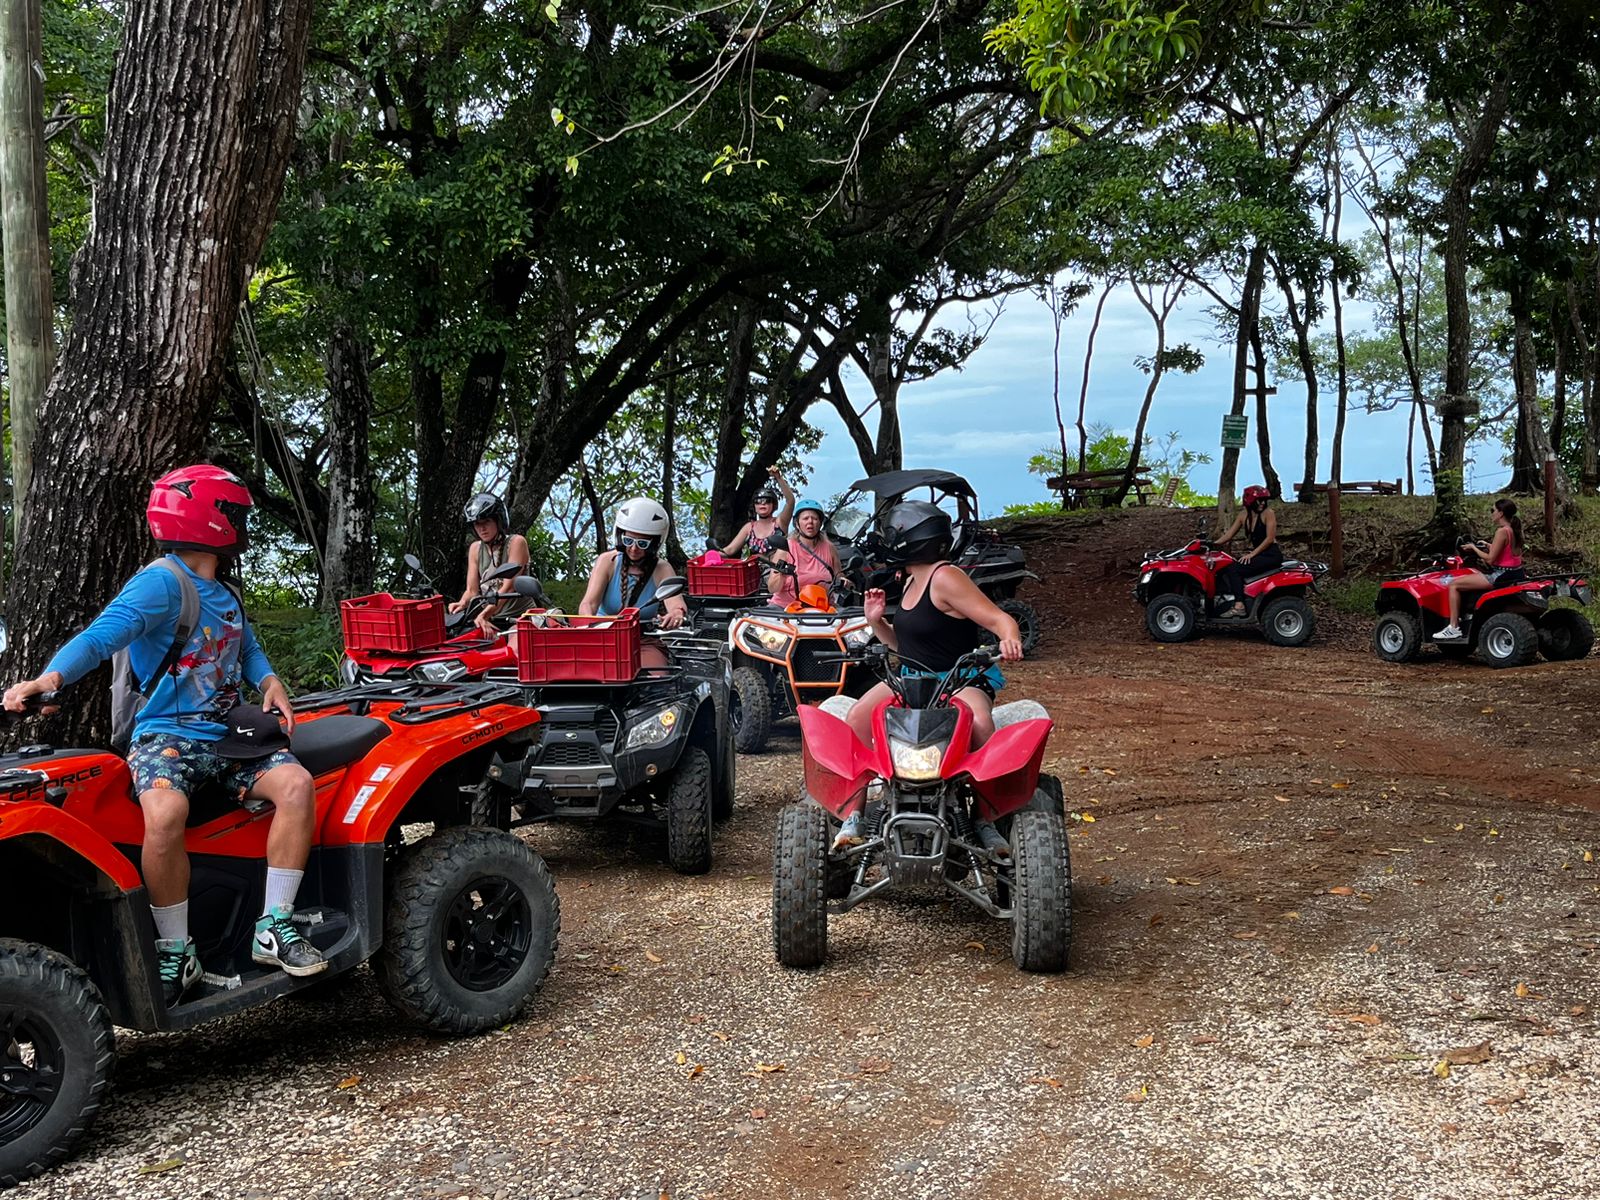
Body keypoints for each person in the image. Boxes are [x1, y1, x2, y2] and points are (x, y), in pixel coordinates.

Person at [2, 465, 326, 1005]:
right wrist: (47, 680)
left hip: (226, 734)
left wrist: (269, 681)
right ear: (210, 519)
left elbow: (245, 647)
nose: (244, 524)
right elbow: (101, 637)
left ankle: (274, 926)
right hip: (164, 735)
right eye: (236, 513)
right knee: (166, 812)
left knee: (296, 786)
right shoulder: (161, 582)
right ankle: (178, 949)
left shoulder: (225, 589)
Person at [837, 501, 1024, 850]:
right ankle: (854, 815)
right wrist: (876, 621)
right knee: (857, 717)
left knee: (981, 723)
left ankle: (986, 818)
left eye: (893, 535)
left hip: (957, 678)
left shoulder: (945, 577)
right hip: (912, 678)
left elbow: (999, 619)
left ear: (909, 539)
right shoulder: (911, 578)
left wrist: (1009, 638)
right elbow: (904, 645)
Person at [580, 496, 689, 630]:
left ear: (654, 544)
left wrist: (676, 614)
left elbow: (676, 604)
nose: (633, 548)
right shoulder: (607, 561)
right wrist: (589, 624)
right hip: (603, 632)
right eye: (628, 541)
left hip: (642, 636)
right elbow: (589, 603)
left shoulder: (662, 569)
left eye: (642, 543)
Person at [1435, 498, 1525, 642]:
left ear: (1501, 513)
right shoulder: (1513, 530)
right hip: (1515, 573)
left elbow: (1490, 559)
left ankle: (1453, 628)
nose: (1491, 513)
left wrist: (1473, 548)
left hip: (1501, 575)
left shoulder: (1502, 531)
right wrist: (1488, 545)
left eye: (1493, 510)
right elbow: (1506, 551)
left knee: (1454, 585)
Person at [448, 492, 532, 636]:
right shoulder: (475, 549)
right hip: (491, 618)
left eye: (486, 521)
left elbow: (508, 588)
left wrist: (484, 615)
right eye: (477, 524)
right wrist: (462, 603)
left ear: (498, 521)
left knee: (516, 643)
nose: (482, 528)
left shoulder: (516, 542)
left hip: (520, 618)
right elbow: (472, 591)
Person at [1213, 485, 1283, 617]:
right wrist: (1212, 544)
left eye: (1264, 501)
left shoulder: (1268, 513)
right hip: (1260, 554)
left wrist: (1252, 554)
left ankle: (1239, 605)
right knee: (1226, 565)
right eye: (1259, 501)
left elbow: (1269, 539)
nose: (1262, 504)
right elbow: (1229, 535)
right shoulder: (1243, 515)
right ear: (1250, 501)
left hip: (1271, 555)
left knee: (1234, 569)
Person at [765, 497, 842, 608]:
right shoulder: (786, 548)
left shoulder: (830, 548)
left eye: (814, 518)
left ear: (820, 523)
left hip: (822, 607)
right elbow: (772, 588)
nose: (810, 521)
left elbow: (839, 576)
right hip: (785, 607)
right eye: (805, 518)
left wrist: (843, 581)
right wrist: (781, 572)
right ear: (797, 524)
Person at [720, 467, 794, 557]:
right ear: (754, 506)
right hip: (753, 565)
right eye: (758, 501)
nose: (762, 504)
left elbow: (790, 501)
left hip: (776, 565)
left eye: (767, 501)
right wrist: (712, 555)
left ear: (773, 505)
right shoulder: (749, 527)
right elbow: (730, 549)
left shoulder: (780, 522)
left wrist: (778, 478)